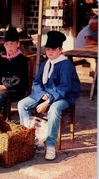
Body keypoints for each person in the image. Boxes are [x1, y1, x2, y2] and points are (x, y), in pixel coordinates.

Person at [17, 31, 80, 160]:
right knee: (22, 104)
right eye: (48, 49)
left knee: (54, 109)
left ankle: (50, 144)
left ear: (61, 50)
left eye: (53, 49)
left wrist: (48, 101)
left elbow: (65, 87)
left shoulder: (66, 65)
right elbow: (36, 82)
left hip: (65, 96)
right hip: (46, 93)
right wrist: (42, 95)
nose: (50, 52)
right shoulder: (46, 64)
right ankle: (31, 138)